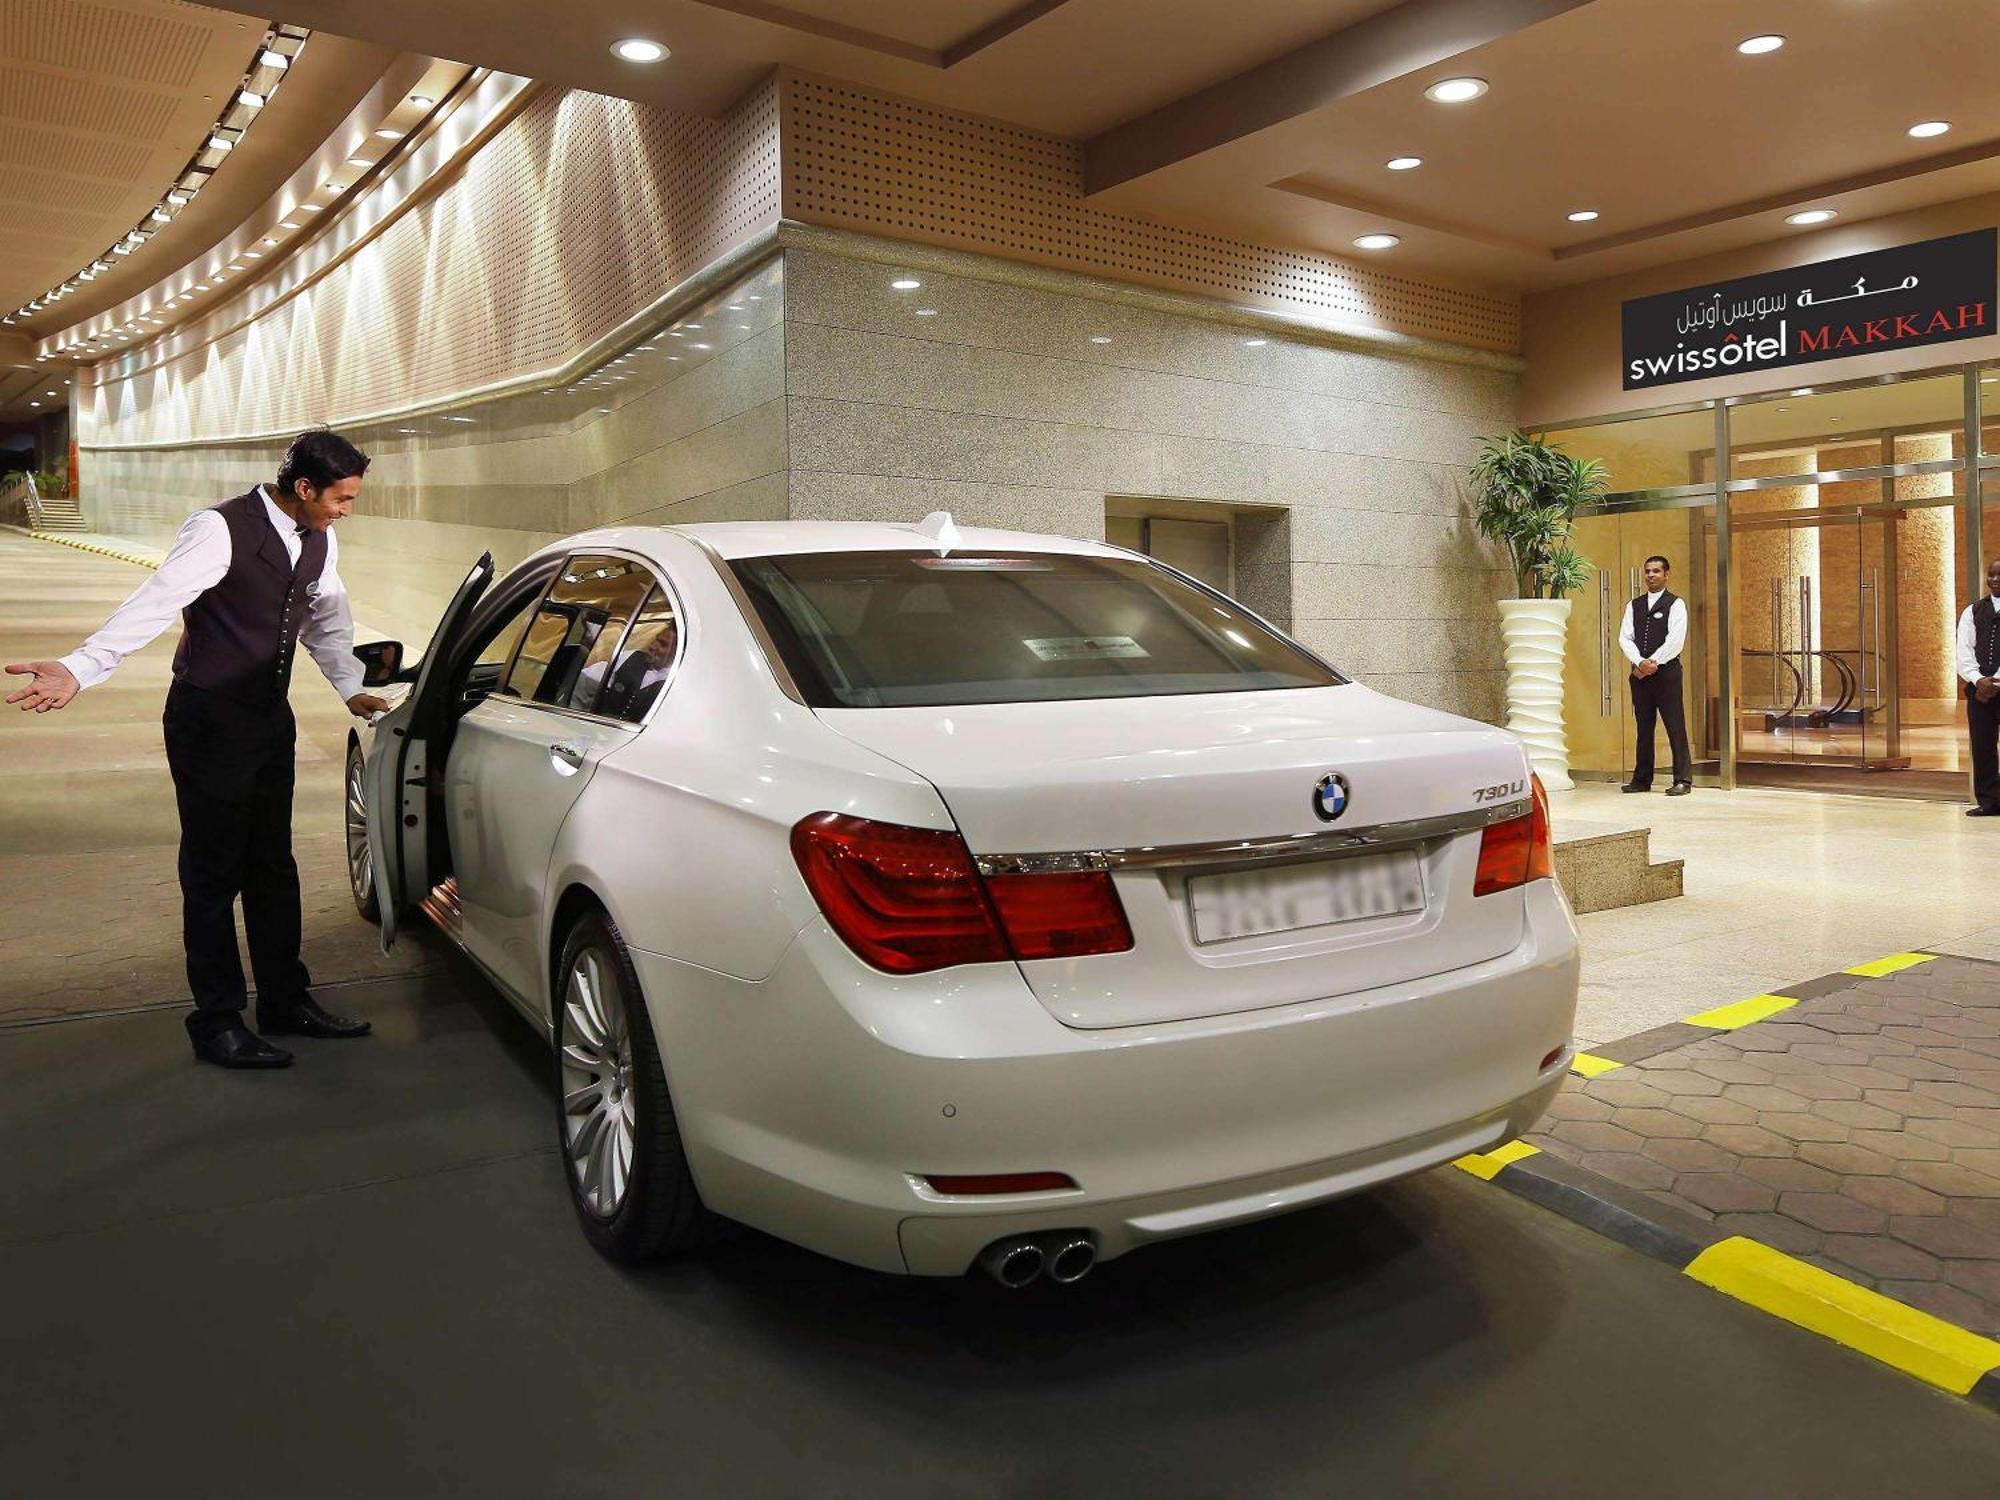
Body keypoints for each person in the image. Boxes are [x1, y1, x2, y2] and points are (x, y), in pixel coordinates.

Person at [5, 429, 391, 1069]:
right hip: (208, 720)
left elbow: (325, 620)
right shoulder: (218, 529)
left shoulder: (320, 538)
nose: (346, 509)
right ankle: (215, 1021)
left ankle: (283, 1001)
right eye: (341, 498)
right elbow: (154, 603)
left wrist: (351, 688)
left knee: (272, 865)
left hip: (268, 716)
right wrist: (81, 666)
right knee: (213, 874)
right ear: (303, 488)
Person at [1619, 553, 1692, 797]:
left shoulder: (1676, 604)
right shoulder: (1634, 605)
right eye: (1648, 571)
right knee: (1644, 727)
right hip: (1640, 675)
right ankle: (1641, 779)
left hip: (1667, 674)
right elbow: (1625, 638)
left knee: (1675, 725)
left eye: (1656, 571)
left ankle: (1682, 779)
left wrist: (1654, 662)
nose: (1651, 575)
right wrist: (1640, 662)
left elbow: (1676, 639)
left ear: (1666, 574)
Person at [1956, 559, 2000, 817]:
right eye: (1991, 574)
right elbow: (1964, 651)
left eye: (1999, 575)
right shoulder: (1972, 611)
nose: (1995, 579)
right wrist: (1977, 679)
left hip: (1994, 685)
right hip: (1979, 691)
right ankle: (1989, 801)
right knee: (1982, 746)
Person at [578, 620, 678, 720]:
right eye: (656, 639)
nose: (652, 646)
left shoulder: (675, 685)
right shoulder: (628, 657)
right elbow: (583, 683)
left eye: (663, 644)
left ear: (677, 652)